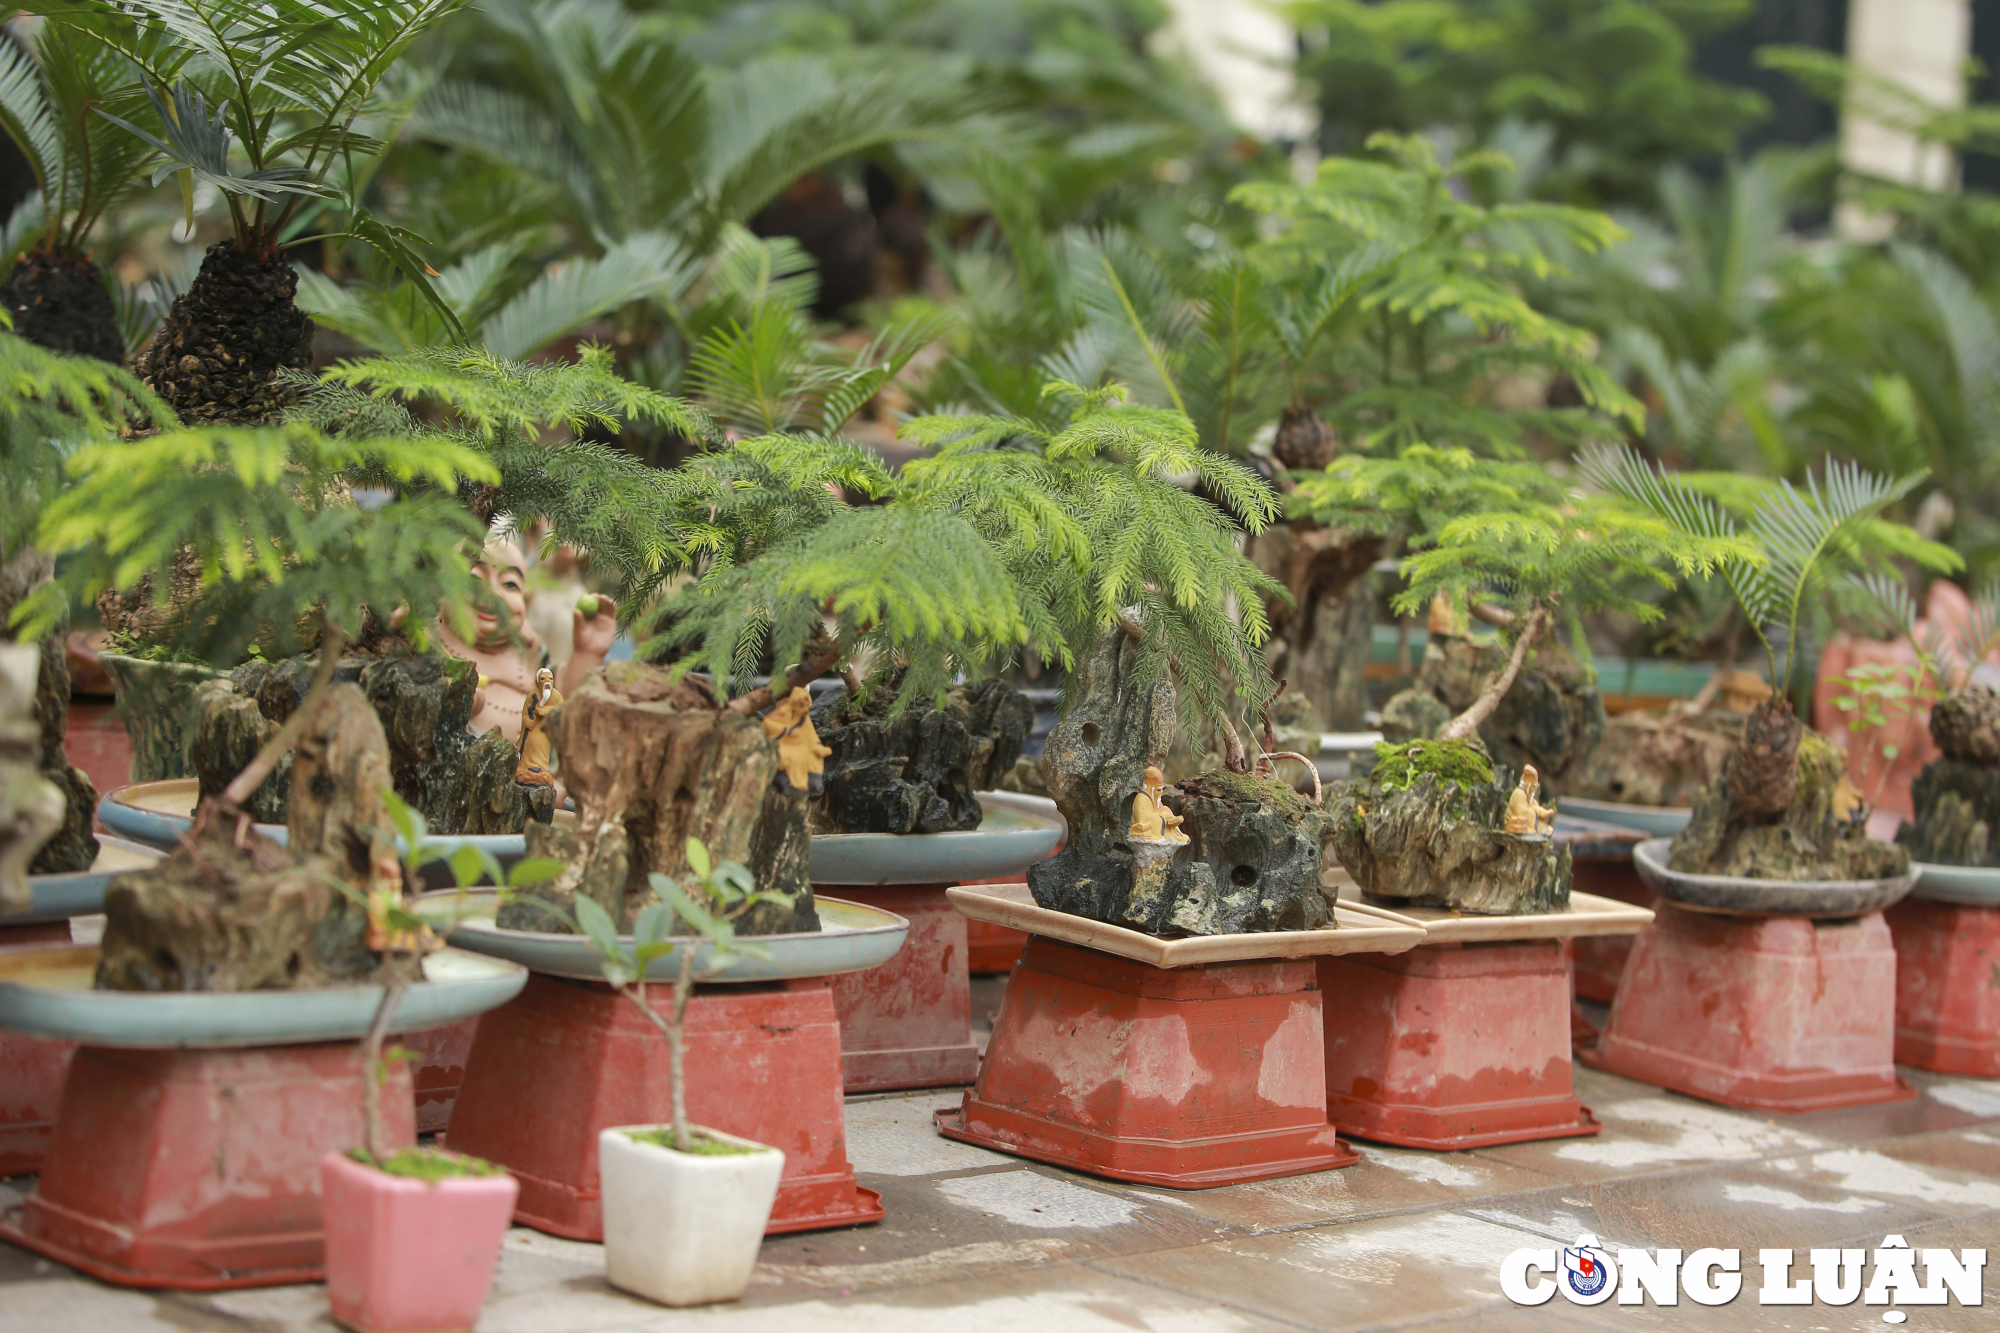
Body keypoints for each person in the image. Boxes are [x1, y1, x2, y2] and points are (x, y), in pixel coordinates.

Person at [436, 536, 618, 741]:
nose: (494, 594)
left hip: (537, 763)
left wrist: (587, 652)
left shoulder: (529, 655)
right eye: (475, 579)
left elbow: (567, 703)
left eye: (510, 585)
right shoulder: (434, 644)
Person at [516, 668, 562, 786]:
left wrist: (546, 713)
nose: (547, 681)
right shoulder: (533, 695)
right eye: (543, 679)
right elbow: (525, 712)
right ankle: (526, 766)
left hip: (545, 730)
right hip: (533, 729)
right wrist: (526, 722)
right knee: (530, 746)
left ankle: (540, 768)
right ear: (538, 681)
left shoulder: (556, 696)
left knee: (543, 750)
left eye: (550, 679)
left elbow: (561, 712)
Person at [1128, 765, 1188, 844]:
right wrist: (1163, 818)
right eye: (1159, 790)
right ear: (1151, 788)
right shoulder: (1141, 798)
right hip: (1149, 830)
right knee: (1159, 818)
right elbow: (1141, 820)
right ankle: (1164, 836)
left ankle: (1177, 835)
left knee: (1167, 810)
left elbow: (1162, 811)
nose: (1161, 792)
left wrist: (1172, 818)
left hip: (1162, 827)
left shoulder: (1156, 799)